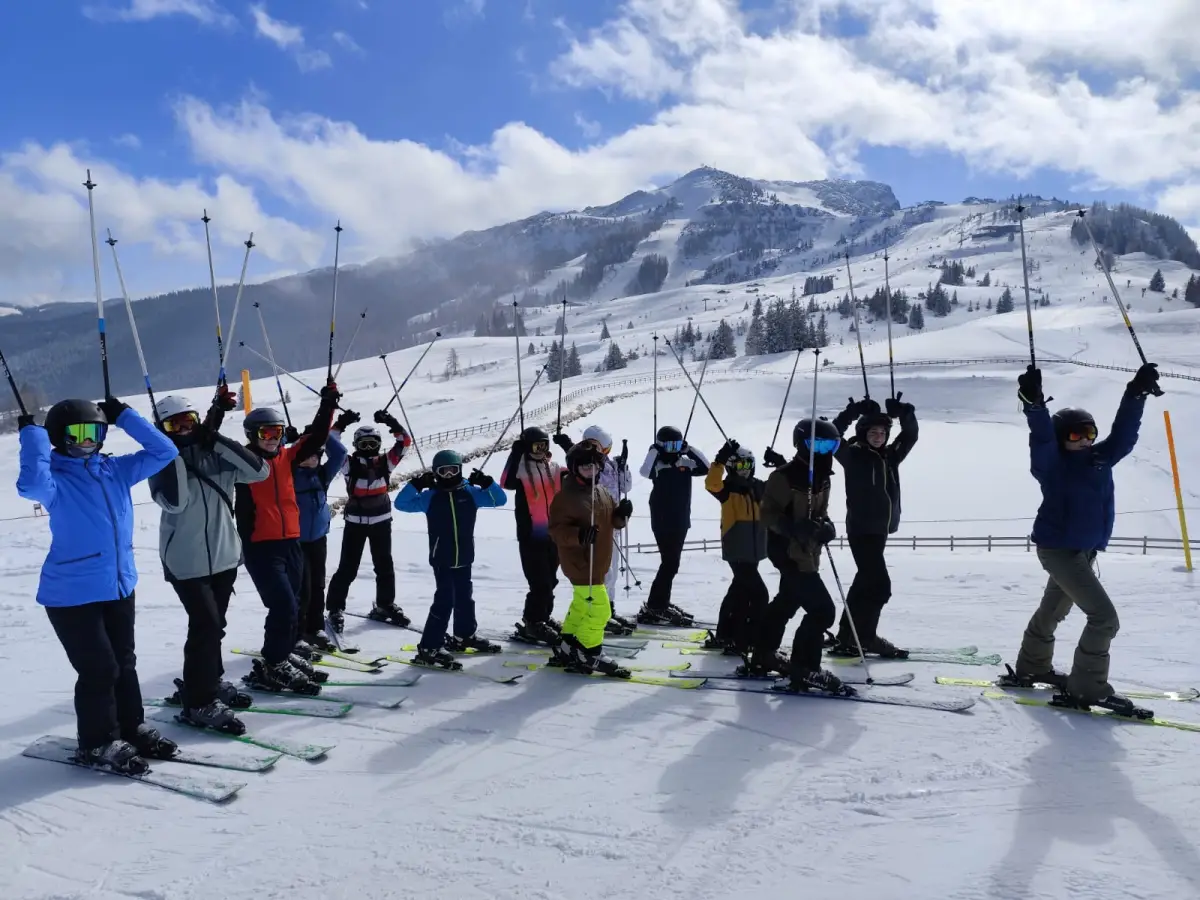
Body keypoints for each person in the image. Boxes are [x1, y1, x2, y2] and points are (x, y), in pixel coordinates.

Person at [17, 396, 179, 774]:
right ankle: (97, 742)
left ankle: (131, 727)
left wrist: (125, 416)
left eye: (95, 431)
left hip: (118, 585)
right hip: (70, 594)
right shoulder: (55, 479)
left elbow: (165, 450)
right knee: (100, 669)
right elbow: (30, 485)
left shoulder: (115, 469)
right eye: (77, 433)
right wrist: (32, 435)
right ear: (59, 436)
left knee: (124, 662)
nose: (87, 440)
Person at [1007, 362, 1160, 715]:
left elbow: (1124, 434)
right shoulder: (1052, 466)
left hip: (1082, 551)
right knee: (1104, 619)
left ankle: (1032, 667)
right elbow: (1042, 439)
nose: (1085, 440)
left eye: (1089, 432)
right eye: (1075, 436)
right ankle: (1088, 689)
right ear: (1062, 438)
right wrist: (1035, 407)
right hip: (1060, 551)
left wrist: (1135, 393)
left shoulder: (1100, 459)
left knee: (1053, 610)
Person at [149, 388, 270, 735]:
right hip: (185, 562)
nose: (184, 429)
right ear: (162, 430)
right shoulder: (159, 463)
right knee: (206, 625)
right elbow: (175, 502)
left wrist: (214, 438)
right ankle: (199, 701)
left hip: (224, 556)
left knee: (213, 626)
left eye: (189, 421)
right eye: (173, 425)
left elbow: (259, 471)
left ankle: (206, 681)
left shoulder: (216, 455)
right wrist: (169, 450)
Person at [235, 383, 339, 694]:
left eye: (277, 432)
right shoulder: (244, 463)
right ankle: (274, 663)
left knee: (295, 602)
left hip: (291, 541)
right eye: (265, 433)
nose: (273, 438)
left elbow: (317, 437)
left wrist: (328, 404)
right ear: (252, 434)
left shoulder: (287, 457)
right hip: (261, 546)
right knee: (282, 605)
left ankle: (285, 651)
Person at [750, 418, 846, 693]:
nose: (823, 451)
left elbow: (821, 513)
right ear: (801, 444)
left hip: (808, 551)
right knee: (822, 610)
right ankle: (805, 668)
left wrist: (826, 527)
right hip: (788, 552)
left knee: (787, 601)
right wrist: (794, 527)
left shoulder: (824, 477)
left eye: (829, 446)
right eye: (817, 444)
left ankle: (763, 653)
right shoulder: (784, 476)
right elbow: (767, 514)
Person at [394, 450, 507, 667]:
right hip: (442, 558)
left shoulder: (470, 493)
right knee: (445, 600)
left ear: (460, 470)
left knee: (465, 597)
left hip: (464, 556)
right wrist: (416, 485)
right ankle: (429, 648)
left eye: (452, 470)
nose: (448, 475)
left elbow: (499, 499)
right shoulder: (430, 496)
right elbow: (401, 504)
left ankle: (464, 635)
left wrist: (487, 483)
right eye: (442, 472)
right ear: (435, 473)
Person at [826, 394, 919, 658]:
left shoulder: (890, 456)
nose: (878, 437)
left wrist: (905, 412)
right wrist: (853, 411)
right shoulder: (852, 454)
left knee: (863, 583)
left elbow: (910, 435)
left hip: (880, 531)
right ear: (863, 433)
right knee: (879, 586)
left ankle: (848, 635)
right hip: (861, 530)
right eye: (873, 432)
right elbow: (831, 435)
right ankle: (865, 638)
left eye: (883, 433)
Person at [548, 443, 634, 676]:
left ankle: (568, 645)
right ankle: (589, 651)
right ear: (574, 468)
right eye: (585, 466)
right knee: (600, 610)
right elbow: (556, 531)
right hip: (581, 562)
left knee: (581, 605)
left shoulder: (601, 492)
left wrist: (621, 514)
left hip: (599, 561)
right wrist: (579, 535)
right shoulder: (566, 497)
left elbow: (612, 522)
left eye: (595, 465)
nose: (591, 470)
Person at [324, 410, 411, 628]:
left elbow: (405, 442)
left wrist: (391, 422)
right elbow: (330, 444)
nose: (369, 448)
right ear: (356, 445)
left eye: (373, 443)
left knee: (384, 566)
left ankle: (385, 604)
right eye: (364, 444)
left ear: (379, 445)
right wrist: (341, 423)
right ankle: (335, 607)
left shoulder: (386, 463)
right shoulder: (348, 464)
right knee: (348, 567)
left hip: (381, 522)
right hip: (356, 523)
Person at [637, 425, 709, 626]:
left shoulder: (685, 462)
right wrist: (654, 451)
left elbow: (706, 467)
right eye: (669, 446)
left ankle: (661, 602)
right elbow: (645, 471)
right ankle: (655, 605)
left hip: (681, 520)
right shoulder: (658, 465)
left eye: (677, 445)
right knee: (669, 563)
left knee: (671, 564)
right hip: (662, 520)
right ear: (661, 445)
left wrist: (689, 449)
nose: (673, 450)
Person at [704, 440, 768, 656]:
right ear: (732, 467)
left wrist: (779, 463)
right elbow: (711, 483)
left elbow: (781, 487)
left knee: (739, 592)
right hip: (737, 550)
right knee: (759, 595)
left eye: (748, 465)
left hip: (755, 551)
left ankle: (726, 634)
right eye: (740, 465)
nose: (745, 470)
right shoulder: (726, 489)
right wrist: (720, 459)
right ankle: (748, 638)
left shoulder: (758, 487)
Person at [502, 426, 564, 645]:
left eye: (544, 446)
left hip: (553, 535)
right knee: (540, 583)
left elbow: (578, 473)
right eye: (536, 446)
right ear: (527, 447)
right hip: (531, 536)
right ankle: (533, 622)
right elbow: (506, 482)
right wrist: (515, 453)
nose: (541, 451)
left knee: (551, 580)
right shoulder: (520, 470)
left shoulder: (553, 468)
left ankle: (543, 616)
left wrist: (568, 446)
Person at [294, 412, 350, 645]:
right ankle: (297, 632)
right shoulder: (288, 475)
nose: (310, 460)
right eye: (305, 456)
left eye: (314, 455)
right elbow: (279, 457)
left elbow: (340, 454)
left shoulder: (322, 475)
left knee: (317, 584)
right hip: (295, 540)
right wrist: (298, 441)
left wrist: (323, 434)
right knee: (301, 587)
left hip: (318, 538)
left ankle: (315, 627)